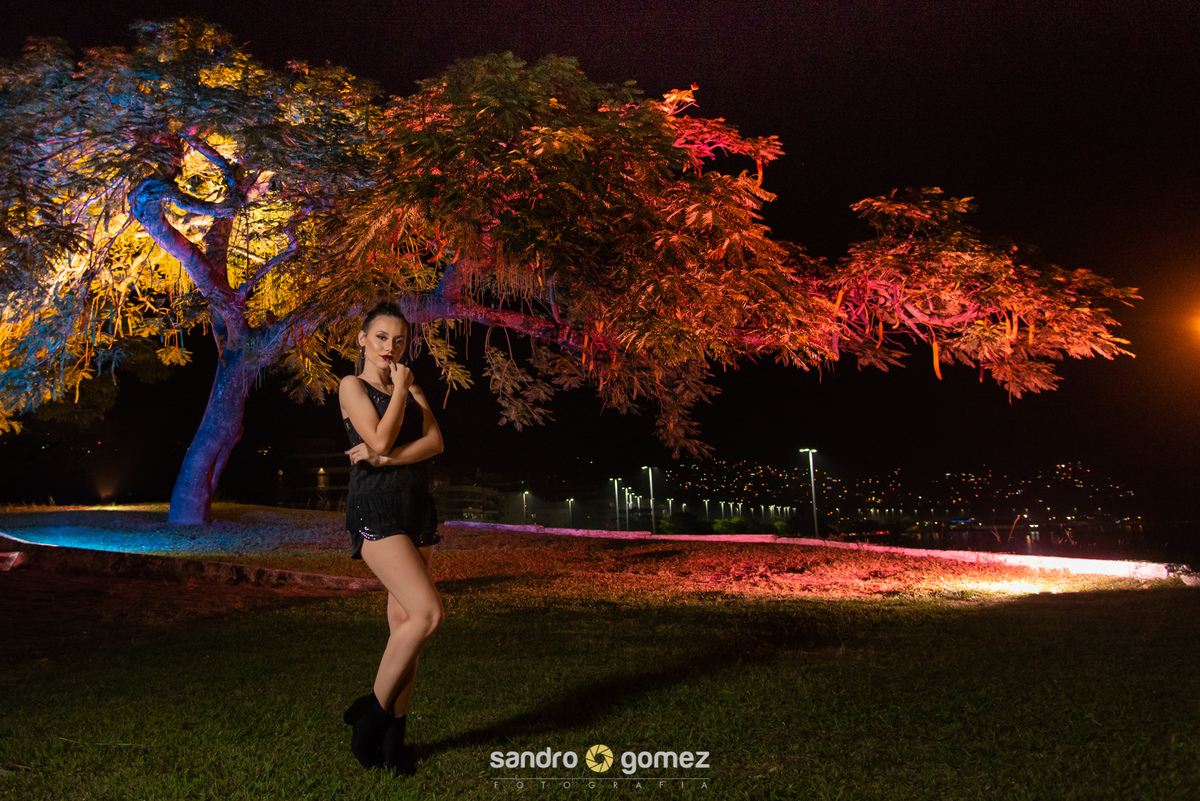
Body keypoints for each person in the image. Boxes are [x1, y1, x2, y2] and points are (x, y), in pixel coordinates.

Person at [338, 301, 444, 775]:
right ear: (363, 339)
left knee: (405, 623)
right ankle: (371, 717)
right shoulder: (351, 386)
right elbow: (379, 439)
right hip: (376, 507)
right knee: (428, 613)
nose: (391, 347)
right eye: (381, 337)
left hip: (414, 503)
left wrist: (388, 460)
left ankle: (394, 740)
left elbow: (434, 443)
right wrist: (400, 389)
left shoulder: (410, 384)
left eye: (399, 341)